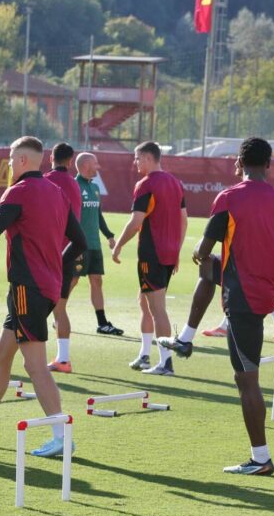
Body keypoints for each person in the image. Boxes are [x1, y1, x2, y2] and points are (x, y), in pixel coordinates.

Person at [158, 138, 274, 474]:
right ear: (268, 163)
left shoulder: (230, 197)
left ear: (238, 163)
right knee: (211, 272)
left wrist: (198, 255)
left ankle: (261, 459)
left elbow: (204, 247)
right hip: (265, 287)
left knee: (246, 380)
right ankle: (186, 338)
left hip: (245, 297)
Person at [0, 136, 88, 454]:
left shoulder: (19, 192)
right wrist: (55, 264)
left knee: (36, 366)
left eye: (11, 159)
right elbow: (79, 242)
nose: (9, 164)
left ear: (23, 160)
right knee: (1, 352)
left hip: (29, 288)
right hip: (41, 288)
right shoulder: (56, 192)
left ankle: (61, 437)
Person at [112, 141, 187, 375]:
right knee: (145, 303)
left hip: (152, 253)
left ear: (147, 158)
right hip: (167, 253)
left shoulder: (145, 184)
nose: (135, 163)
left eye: (137, 158)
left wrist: (118, 247)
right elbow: (184, 220)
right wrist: (176, 251)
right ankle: (145, 355)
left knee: (157, 309)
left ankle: (166, 363)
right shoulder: (176, 183)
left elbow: (136, 222)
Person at [44, 143, 84, 373]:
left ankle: (57, 358)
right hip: (73, 250)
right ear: (71, 161)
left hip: (51, 252)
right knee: (60, 307)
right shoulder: (74, 184)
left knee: (43, 307)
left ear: (51, 157)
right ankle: (63, 357)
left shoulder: (46, 181)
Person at [74, 151, 123, 336]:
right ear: (86, 165)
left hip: (94, 245)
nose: (98, 167)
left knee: (97, 280)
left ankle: (102, 323)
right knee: (72, 280)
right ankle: (56, 314)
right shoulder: (74, 186)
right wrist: (73, 243)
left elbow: (98, 215)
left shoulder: (94, 188)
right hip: (79, 245)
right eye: (95, 164)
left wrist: (109, 235)